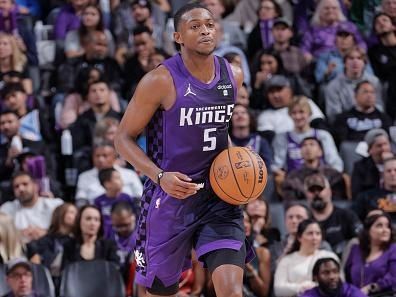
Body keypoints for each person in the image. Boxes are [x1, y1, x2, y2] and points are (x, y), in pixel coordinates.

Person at [114, 3, 250, 297]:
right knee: (160, 292)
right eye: (195, 26)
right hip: (170, 198)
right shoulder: (159, 80)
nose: (205, 31)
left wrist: (239, 163)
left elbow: (220, 133)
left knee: (231, 292)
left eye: (209, 24)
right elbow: (122, 138)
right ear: (178, 36)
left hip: (218, 197)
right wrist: (159, 176)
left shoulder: (233, 76)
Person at [273, 219, 339, 297]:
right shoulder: (287, 260)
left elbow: (340, 283)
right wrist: (301, 287)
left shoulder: (330, 257)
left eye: (318, 233)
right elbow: (278, 289)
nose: (314, 237)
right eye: (310, 233)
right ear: (299, 237)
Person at [304, 172, 362, 255]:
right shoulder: (305, 222)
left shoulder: (347, 216)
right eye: (312, 190)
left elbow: (361, 241)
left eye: (320, 189)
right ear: (306, 194)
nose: (316, 193)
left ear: (329, 191)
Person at [0, 171, 63, 243]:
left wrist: (46, 234)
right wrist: (20, 235)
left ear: (36, 186)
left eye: (25, 184)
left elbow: (65, 232)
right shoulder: (6, 209)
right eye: (16, 186)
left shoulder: (54, 205)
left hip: (51, 248)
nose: (21, 189)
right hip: (19, 250)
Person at [345, 213, 396, 295]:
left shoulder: (393, 250)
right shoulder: (356, 249)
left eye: (388, 226)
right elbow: (347, 275)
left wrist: (371, 287)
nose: (385, 230)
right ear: (368, 230)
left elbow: (394, 278)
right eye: (379, 226)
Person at [75, 141, 143, 204]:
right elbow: (81, 201)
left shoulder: (130, 174)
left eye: (105, 155)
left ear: (114, 157)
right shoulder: (84, 177)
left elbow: (140, 197)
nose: (100, 159)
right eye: (97, 156)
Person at [282, 138, 347, 201]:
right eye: (304, 145)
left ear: (320, 152)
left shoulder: (333, 175)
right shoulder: (292, 176)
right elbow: (290, 201)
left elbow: (339, 201)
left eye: (312, 144)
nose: (308, 148)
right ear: (300, 152)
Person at [62, 205, 119, 269]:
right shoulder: (69, 246)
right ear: (79, 221)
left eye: (96, 220)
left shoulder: (108, 246)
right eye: (88, 219)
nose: (92, 223)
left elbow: (115, 269)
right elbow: (65, 272)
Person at [27, 203, 77, 278]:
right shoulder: (47, 240)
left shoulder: (76, 240)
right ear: (61, 214)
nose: (76, 216)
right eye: (72, 212)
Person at [94, 167, 136, 237]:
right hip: (106, 238)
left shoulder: (127, 198)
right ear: (107, 184)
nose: (122, 181)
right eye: (117, 178)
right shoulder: (98, 201)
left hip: (126, 235)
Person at [351, 129, 393, 198]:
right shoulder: (360, 167)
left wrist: (389, 162)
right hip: (372, 202)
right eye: (379, 146)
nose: (384, 148)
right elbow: (356, 193)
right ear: (370, 150)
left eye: (385, 144)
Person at [354, 157, 396, 224]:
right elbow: (355, 221)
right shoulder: (366, 197)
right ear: (382, 175)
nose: (393, 174)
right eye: (389, 171)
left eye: (395, 170)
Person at [300, 257, 368, 297]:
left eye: (335, 272)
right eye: (326, 273)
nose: (332, 277)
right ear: (315, 277)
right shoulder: (309, 295)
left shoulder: (350, 291)